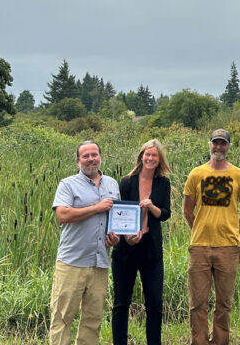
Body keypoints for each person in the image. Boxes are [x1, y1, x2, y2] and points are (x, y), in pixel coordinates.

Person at [183, 128, 240, 345]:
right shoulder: (196, 174)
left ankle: (220, 341)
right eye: (215, 143)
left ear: (228, 146)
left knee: (224, 303)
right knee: (198, 303)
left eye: (223, 143)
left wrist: (233, 229)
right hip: (200, 247)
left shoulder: (239, 175)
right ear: (209, 144)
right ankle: (200, 341)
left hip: (228, 248)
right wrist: (200, 228)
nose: (219, 147)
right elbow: (187, 209)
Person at [49, 140, 121, 345]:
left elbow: (115, 219)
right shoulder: (68, 184)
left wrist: (114, 238)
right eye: (85, 156)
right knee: (62, 317)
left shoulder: (112, 184)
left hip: (99, 261)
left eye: (94, 155)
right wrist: (96, 208)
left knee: (93, 319)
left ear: (100, 156)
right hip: (72, 261)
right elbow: (62, 214)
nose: (90, 159)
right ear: (78, 160)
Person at [111, 139, 172, 345]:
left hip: (151, 250)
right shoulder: (127, 181)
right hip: (126, 249)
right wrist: (126, 236)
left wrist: (153, 208)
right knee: (121, 303)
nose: (151, 158)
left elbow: (165, 214)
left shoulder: (163, 183)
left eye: (155, 155)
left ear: (159, 159)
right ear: (141, 156)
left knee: (154, 303)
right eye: (147, 154)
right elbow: (119, 214)